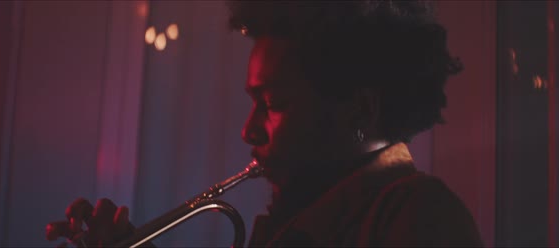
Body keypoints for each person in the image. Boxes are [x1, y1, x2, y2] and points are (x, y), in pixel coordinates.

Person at [46, 1, 484, 247]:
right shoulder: (300, 217)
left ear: (360, 111)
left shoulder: (420, 218)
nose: (248, 131)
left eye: (272, 103)